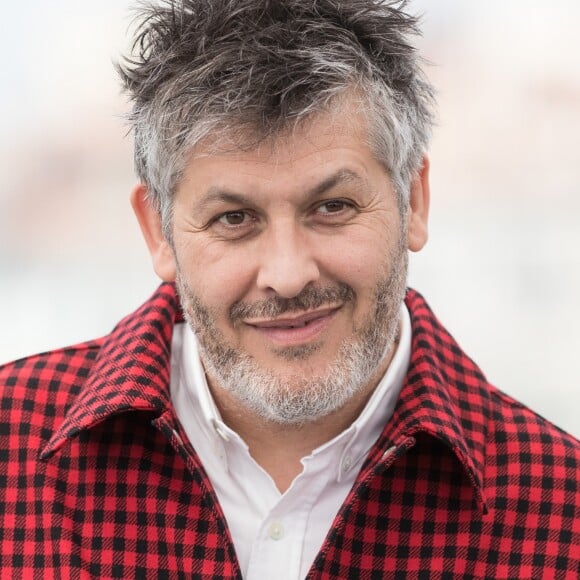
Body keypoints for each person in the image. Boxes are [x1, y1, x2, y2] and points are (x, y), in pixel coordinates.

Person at [0, 0, 578, 577]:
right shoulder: (12, 446)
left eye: (332, 207)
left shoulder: (562, 514)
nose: (288, 273)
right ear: (158, 231)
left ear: (414, 201)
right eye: (234, 218)